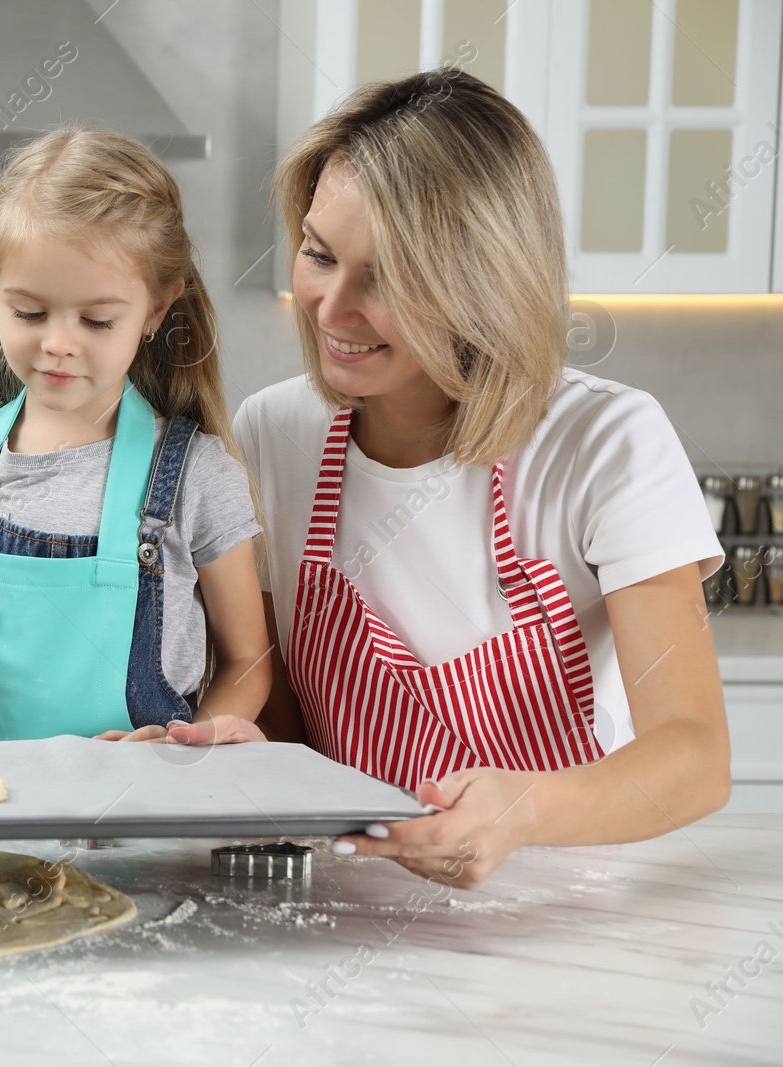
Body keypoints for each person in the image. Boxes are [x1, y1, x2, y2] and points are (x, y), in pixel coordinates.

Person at [221, 68, 729, 887]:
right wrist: (237, 748)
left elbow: (696, 756)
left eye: (383, 277)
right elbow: (289, 723)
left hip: (562, 916)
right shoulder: (274, 433)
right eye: (319, 254)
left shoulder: (605, 441)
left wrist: (517, 813)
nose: (329, 309)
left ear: (480, 280)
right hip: (344, 909)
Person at [0, 128, 271, 746]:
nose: (58, 343)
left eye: (97, 319)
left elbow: (249, 661)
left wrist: (191, 747)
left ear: (156, 309)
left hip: (142, 824)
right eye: (28, 313)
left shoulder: (198, 478)